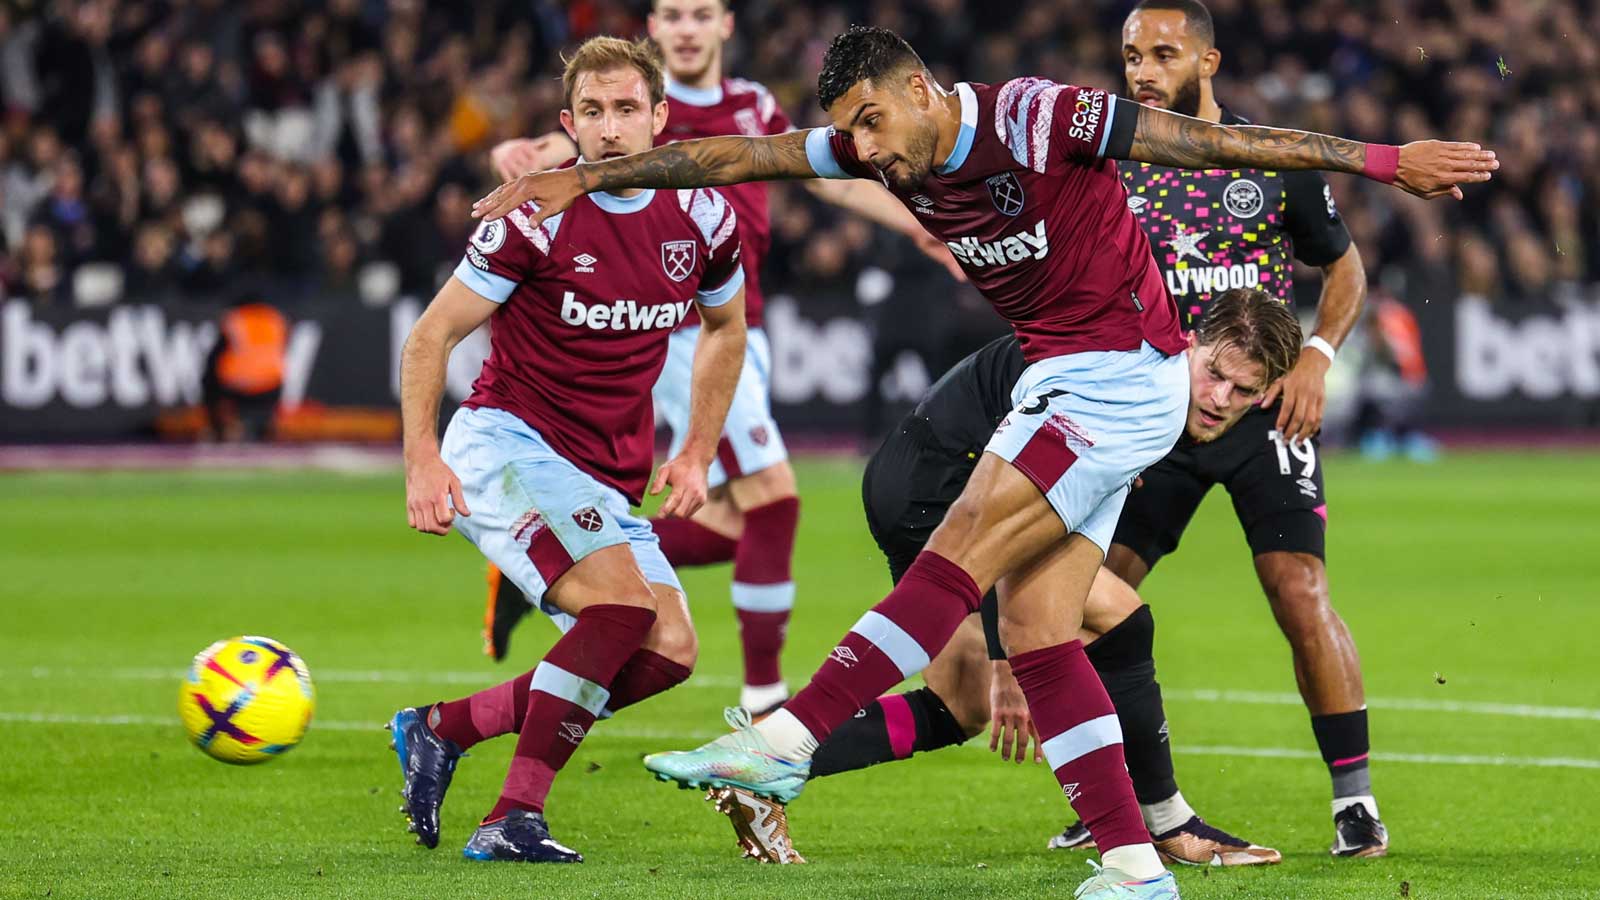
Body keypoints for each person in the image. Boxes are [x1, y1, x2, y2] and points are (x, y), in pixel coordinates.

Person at [472, 25, 1492, 898]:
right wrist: (584, 176)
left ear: (920, 91)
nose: (864, 149)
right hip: (1081, 382)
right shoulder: (877, 150)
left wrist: (1380, 160)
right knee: (1042, 631)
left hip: (1112, 376)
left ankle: (783, 744)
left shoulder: (1035, 118)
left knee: (954, 555)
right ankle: (1133, 864)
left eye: (874, 122)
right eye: (852, 132)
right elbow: (735, 159)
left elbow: (1200, 142)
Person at [480, 0, 962, 717]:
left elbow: (829, 174)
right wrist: (516, 157)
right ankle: (765, 700)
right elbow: (554, 160)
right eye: (671, 16)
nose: (685, 29)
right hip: (679, 330)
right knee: (775, 501)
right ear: (655, 27)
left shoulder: (753, 105)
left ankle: (545, 564)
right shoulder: (632, 113)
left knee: (737, 525)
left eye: (699, 15)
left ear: (725, 27)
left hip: (744, 321)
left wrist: (922, 228)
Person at [711, 288, 1296, 868]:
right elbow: (1005, 512)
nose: (1220, 398)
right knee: (1121, 622)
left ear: (1265, 392)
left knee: (958, 707)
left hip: (914, 471)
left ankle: (760, 756)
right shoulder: (1137, 378)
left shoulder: (1153, 379)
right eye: (1215, 373)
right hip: (940, 480)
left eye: (1243, 390)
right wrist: (1005, 658)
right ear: (1191, 344)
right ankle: (1164, 822)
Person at [388, 36, 747, 863]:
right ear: (568, 124)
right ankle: (512, 818)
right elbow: (431, 336)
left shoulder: (701, 215)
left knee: (669, 651)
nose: (612, 128)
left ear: (661, 117)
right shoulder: (534, 217)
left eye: (628, 109)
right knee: (621, 611)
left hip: (603, 475)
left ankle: (441, 729)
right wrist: (420, 458)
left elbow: (726, 329)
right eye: (594, 112)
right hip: (506, 442)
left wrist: (695, 450)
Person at [1058, 0, 1388, 858]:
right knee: (1084, 600)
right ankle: (1117, 795)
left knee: (1299, 592)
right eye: (1131, 53)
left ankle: (1354, 801)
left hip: (1261, 408)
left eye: (1163, 53)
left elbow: (1344, 267)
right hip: (1152, 415)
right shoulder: (1107, 166)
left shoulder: (1268, 156)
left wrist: (1315, 354)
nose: (1142, 69)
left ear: (1208, 62)